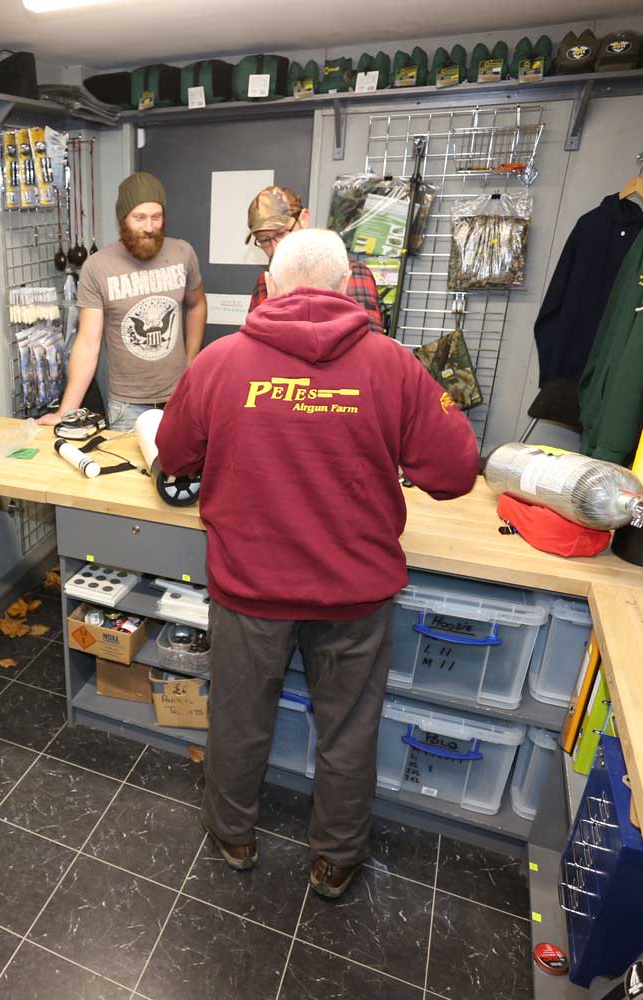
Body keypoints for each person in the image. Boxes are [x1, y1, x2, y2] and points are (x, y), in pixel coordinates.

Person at [154, 229, 478, 898]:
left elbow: (174, 454)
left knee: (240, 722)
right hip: (355, 592)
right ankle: (336, 859)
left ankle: (235, 837)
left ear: (268, 287)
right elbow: (454, 472)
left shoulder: (219, 362)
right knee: (349, 731)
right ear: (345, 288)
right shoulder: (394, 365)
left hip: (250, 589)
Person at [38, 172, 207, 432]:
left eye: (156, 217)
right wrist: (65, 412)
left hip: (179, 397)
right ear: (122, 220)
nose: (150, 227)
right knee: (129, 473)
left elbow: (196, 304)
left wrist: (192, 361)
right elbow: (87, 343)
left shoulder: (183, 253)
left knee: (180, 472)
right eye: (139, 218)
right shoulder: (98, 266)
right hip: (128, 407)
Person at [246, 185, 385, 335]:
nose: (275, 248)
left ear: (304, 219)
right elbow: (253, 341)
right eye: (264, 240)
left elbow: (370, 344)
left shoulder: (352, 273)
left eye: (281, 234)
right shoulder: (265, 282)